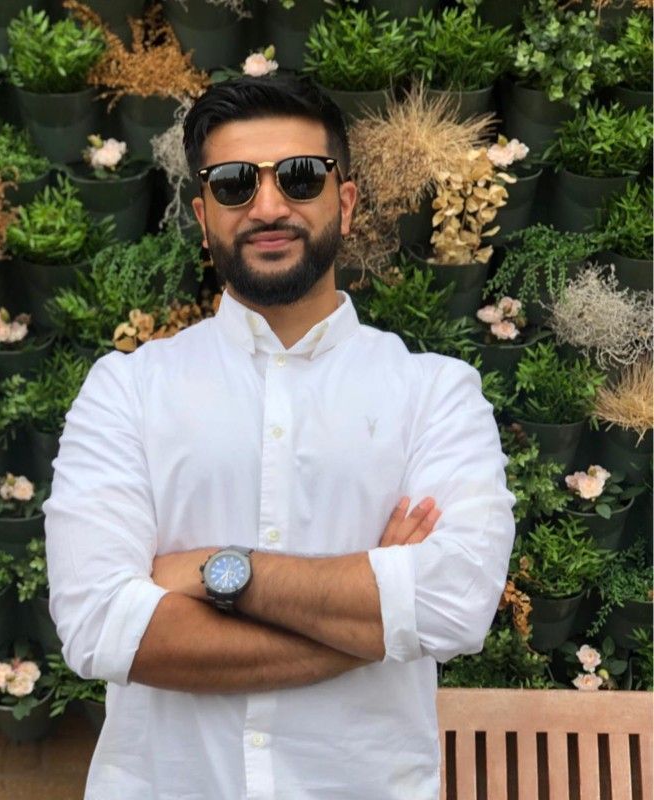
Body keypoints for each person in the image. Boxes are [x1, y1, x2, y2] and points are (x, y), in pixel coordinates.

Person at [44, 75, 515, 800]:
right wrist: (372, 618)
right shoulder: (126, 392)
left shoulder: (435, 395)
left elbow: (453, 604)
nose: (268, 206)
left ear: (346, 202)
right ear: (203, 217)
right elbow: (102, 628)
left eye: (300, 177)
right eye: (234, 184)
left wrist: (215, 568)